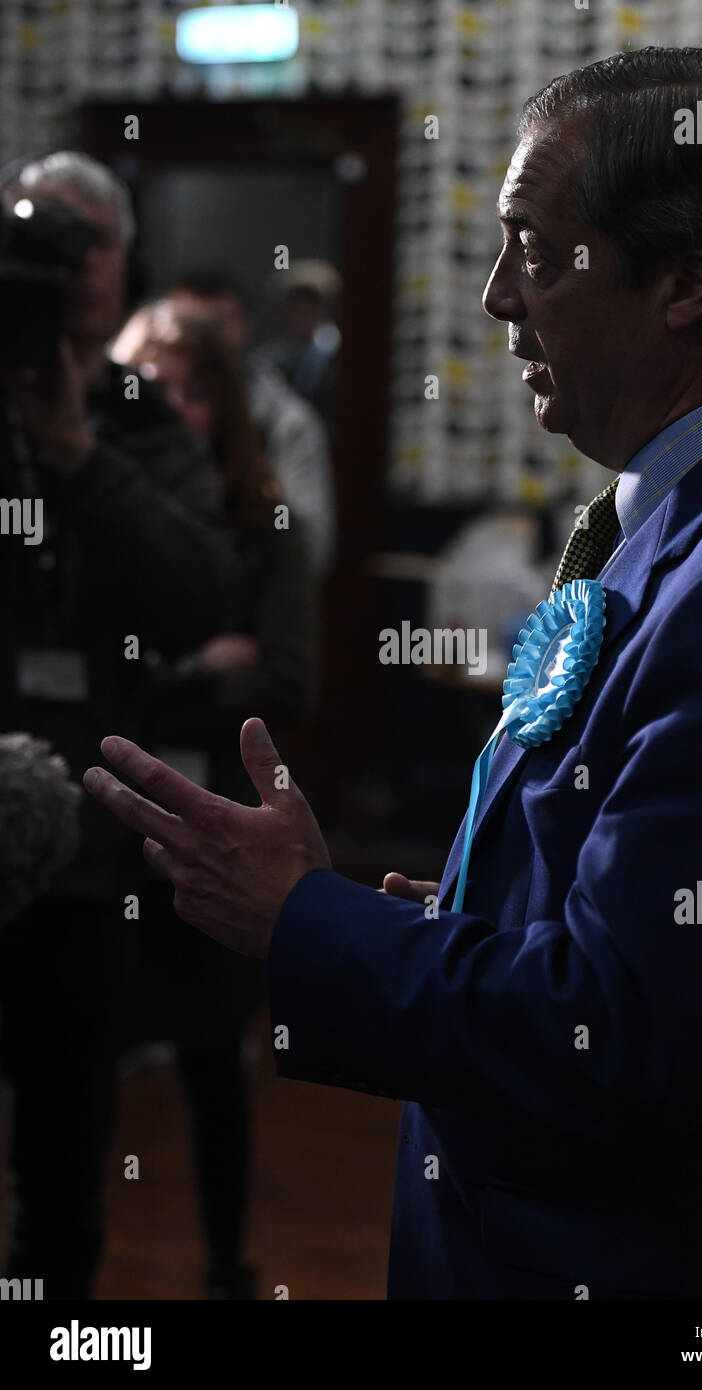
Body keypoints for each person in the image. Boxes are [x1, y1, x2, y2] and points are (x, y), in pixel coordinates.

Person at [84, 47, 702, 1301]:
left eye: (530, 247)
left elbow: (613, 1038)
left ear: (681, 284)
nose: (498, 297)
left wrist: (308, 914)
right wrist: (464, 921)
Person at [0, 150, 242, 1300]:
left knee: (64, 1143)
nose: (67, 266)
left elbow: (200, 591)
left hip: (88, 843)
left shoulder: (139, 415)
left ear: (123, 258)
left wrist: (74, 458)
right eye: (39, 239)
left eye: (87, 243)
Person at [109, 299, 319, 1299]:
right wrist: (194, 665)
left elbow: (286, 674)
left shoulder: (263, 521)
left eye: (194, 390)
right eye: (151, 388)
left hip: (211, 827)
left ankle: (227, 1267)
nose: (173, 410)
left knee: (210, 1059)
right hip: (101, 829)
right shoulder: (90, 508)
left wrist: (186, 677)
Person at [161, 270, 336, 577]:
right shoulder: (140, 413)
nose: (205, 343)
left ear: (244, 327)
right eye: (190, 327)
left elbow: (308, 553)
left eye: (218, 326)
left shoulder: (287, 422)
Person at [251, 259, 342, 431]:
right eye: (294, 304)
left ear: (327, 307)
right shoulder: (268, 360)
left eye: (310, 304)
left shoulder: (340, 354)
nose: (301, 311)